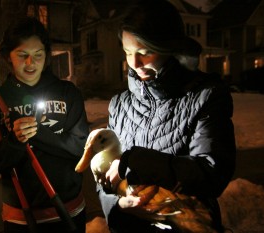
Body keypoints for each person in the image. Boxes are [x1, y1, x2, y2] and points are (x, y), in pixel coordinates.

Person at [98, 0, 236, 232]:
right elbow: (105, 178)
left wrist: (133, 162)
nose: (134, 63)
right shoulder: (119, 105)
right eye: (127, 52)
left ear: (169, 47)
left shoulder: (206, 96)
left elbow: (212, 174)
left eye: (145, 52)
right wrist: (118, 204)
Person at [0, 17, 89, 233]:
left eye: (38, 55)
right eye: (22, 55)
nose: (31, 63)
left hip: (69, 210)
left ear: (46, 56)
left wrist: (38, 133)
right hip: (20, 217)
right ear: (8, 56)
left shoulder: (68, 93)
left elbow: (80, 148)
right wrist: (14, 142)